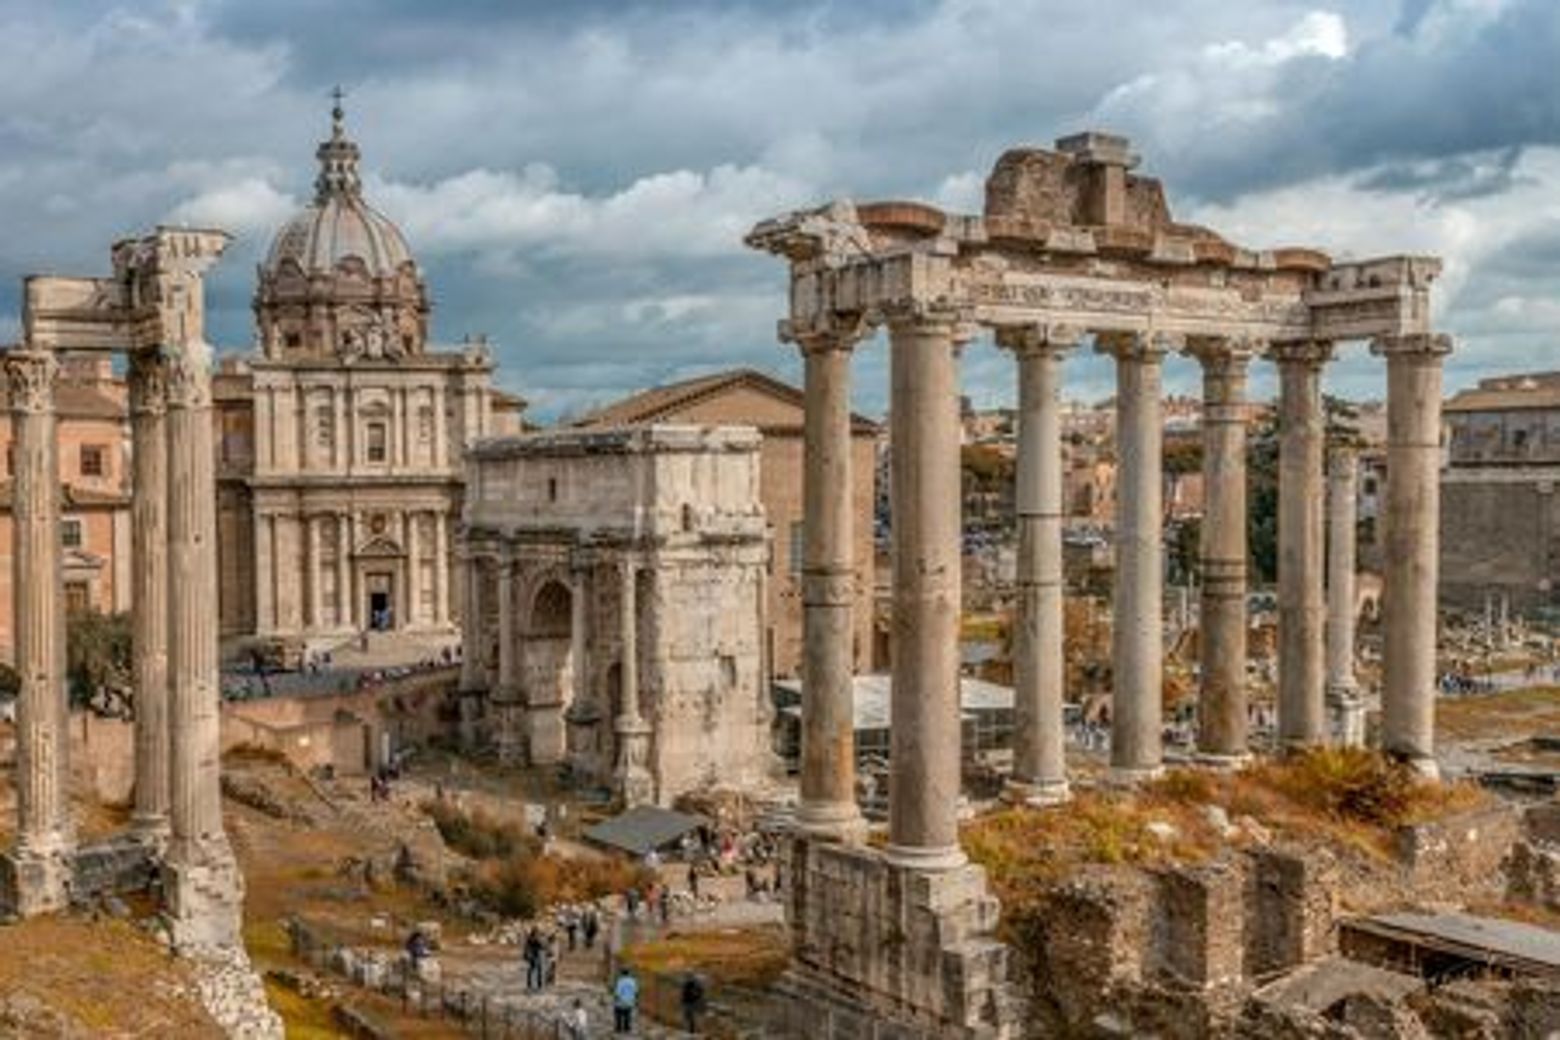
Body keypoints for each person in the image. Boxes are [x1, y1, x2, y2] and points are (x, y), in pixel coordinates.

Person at [613, 967, 639, 1034]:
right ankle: (627, 1027)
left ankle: (618, 1027)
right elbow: (636, 991)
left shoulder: (620, 981)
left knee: (618, 1014)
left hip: (621, 1001)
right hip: (630, 1000)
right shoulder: (633, 981)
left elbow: (618, 992)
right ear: (629, 973)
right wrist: (635, 1000)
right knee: (628, 1014)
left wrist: (615, 999)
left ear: (621, 974)